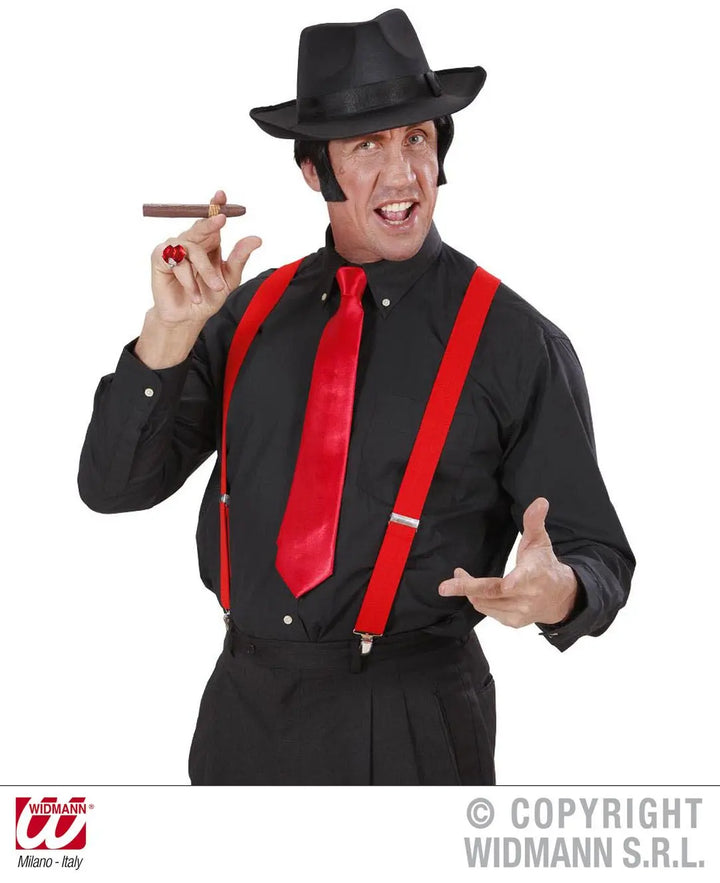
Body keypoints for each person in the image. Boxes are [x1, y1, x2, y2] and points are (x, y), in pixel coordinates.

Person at [78, 9, 635, 785]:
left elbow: (597, 553)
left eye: (418, 139)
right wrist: (168, 335)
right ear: (316, 171)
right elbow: (111, 487)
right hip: (242, 715)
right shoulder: (246, 315)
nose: (403, 174)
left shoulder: (515, 342)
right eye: (368, 145)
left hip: (412, 722)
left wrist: (561, 589)